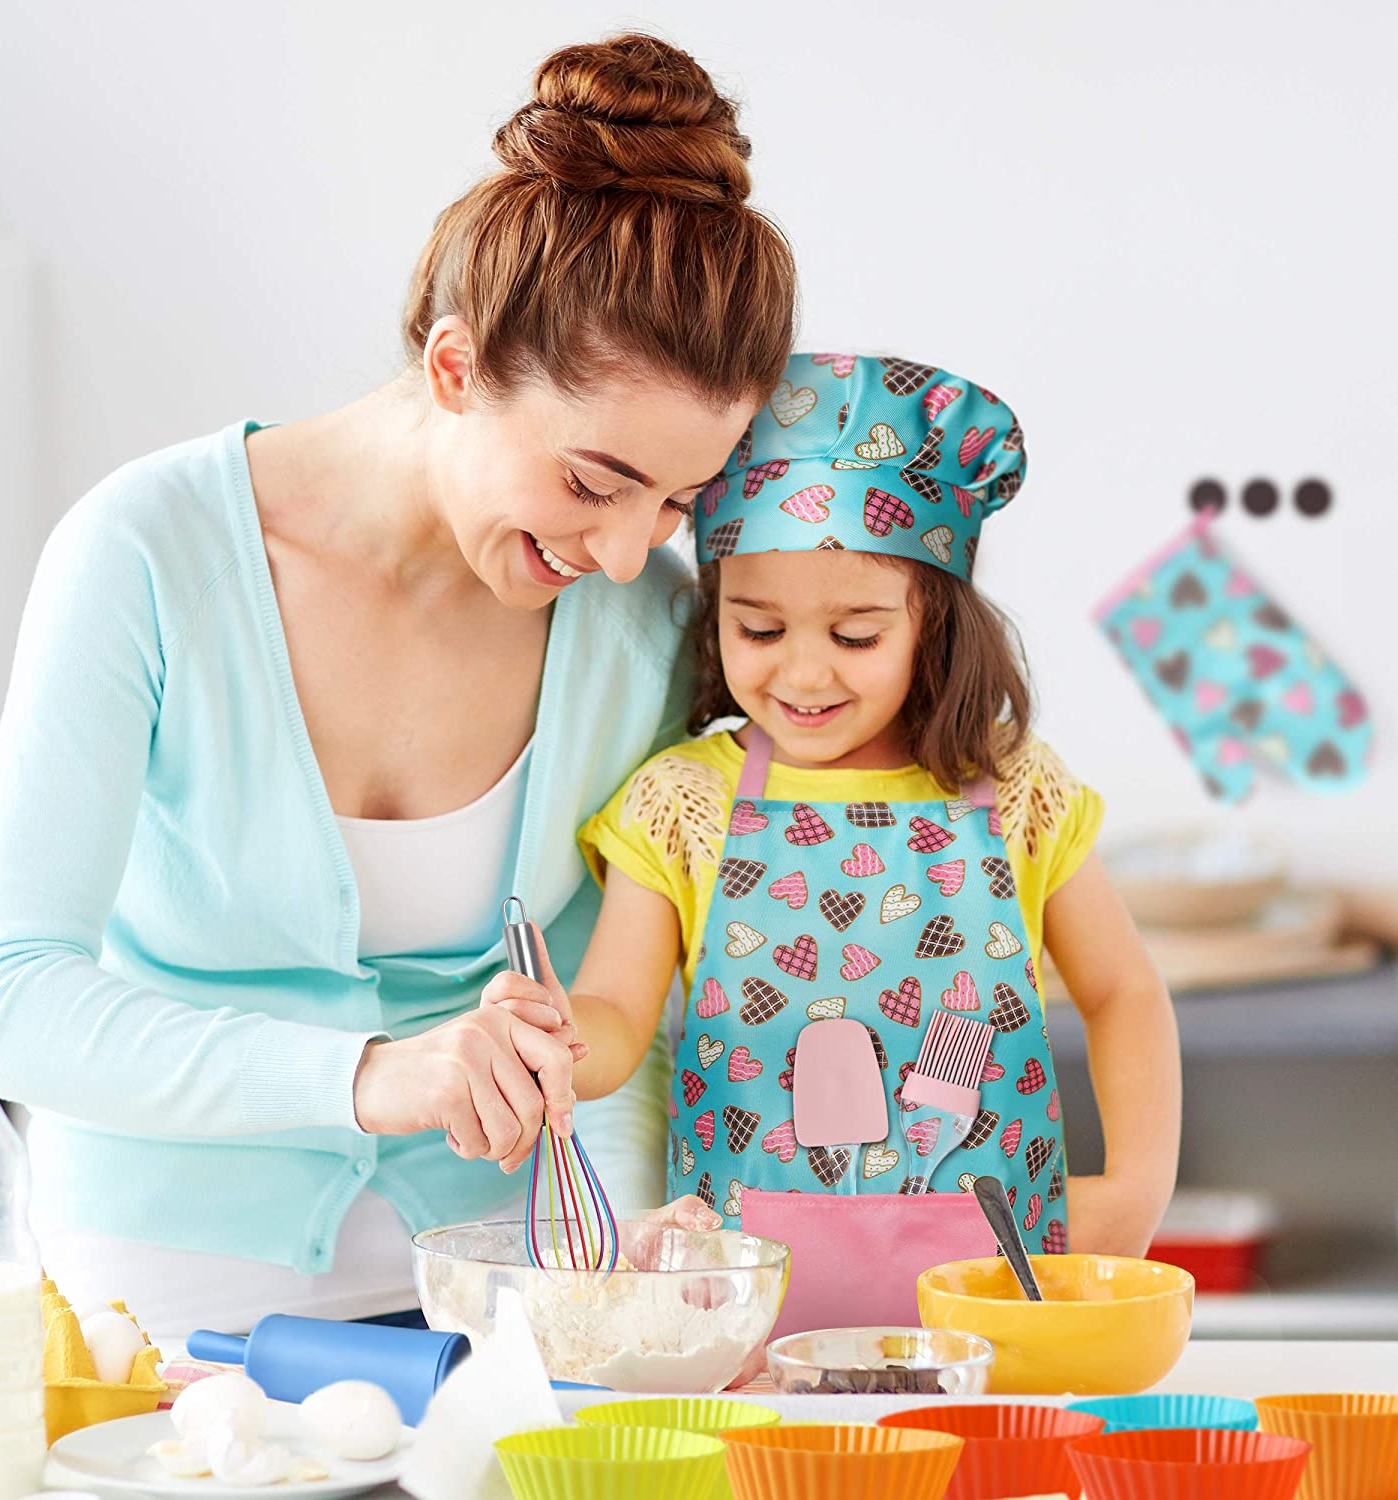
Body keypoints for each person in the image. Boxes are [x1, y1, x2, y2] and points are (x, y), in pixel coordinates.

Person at [0, 33, 797, 1337]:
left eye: (679, 500)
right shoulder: (149, 553)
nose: (627, 551)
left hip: (524, 1285)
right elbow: (9, 996)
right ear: (455, 368)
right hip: (167, 1296)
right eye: (592, 480)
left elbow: (614, 993)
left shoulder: (645, 620)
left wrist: (621, 1259)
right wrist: (368, 1074)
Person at [485, 353, 1182, 1323]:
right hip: (748, 1316)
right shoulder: (681, 804)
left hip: (1000, 1303)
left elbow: (1123, 992)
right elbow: (614, 1013)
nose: (803, 675)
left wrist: (1141, 1185)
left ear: (931, 627)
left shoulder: (1020, 790)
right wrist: (557, 1039)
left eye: (855, 636)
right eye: (758, 630)